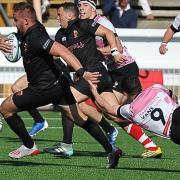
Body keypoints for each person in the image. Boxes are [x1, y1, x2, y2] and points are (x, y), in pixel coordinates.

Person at [0, 2, 122, 169]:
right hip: (60, 83)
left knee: (6, 108)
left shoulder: (37, 37)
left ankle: (29, 146)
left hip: (44, 88)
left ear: (26, 20)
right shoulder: (29, 31)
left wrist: (81, 72)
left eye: (16, 20)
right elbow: (16, 39)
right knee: (78, 117)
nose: (14, 23)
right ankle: (111, 150)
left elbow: (63, 51)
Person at [44, 1, 162, 159]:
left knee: (68, 100)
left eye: (84, 5)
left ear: (92, 7)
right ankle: (150, 144)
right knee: (112, 112)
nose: (81, 8)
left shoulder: (96, 23)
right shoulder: (66, 32)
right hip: (104, 72)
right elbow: (65, 54)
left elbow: (115, 44)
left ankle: (68, 145)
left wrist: (110, 51)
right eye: (79, 5)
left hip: (119, 70)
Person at [89, 76, 180, 147]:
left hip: (173, 131)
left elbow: (108, 108)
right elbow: (173, 97)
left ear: (125, 93)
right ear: (140, 85)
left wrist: (94, 92)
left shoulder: (129, 110)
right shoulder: (156, 88)